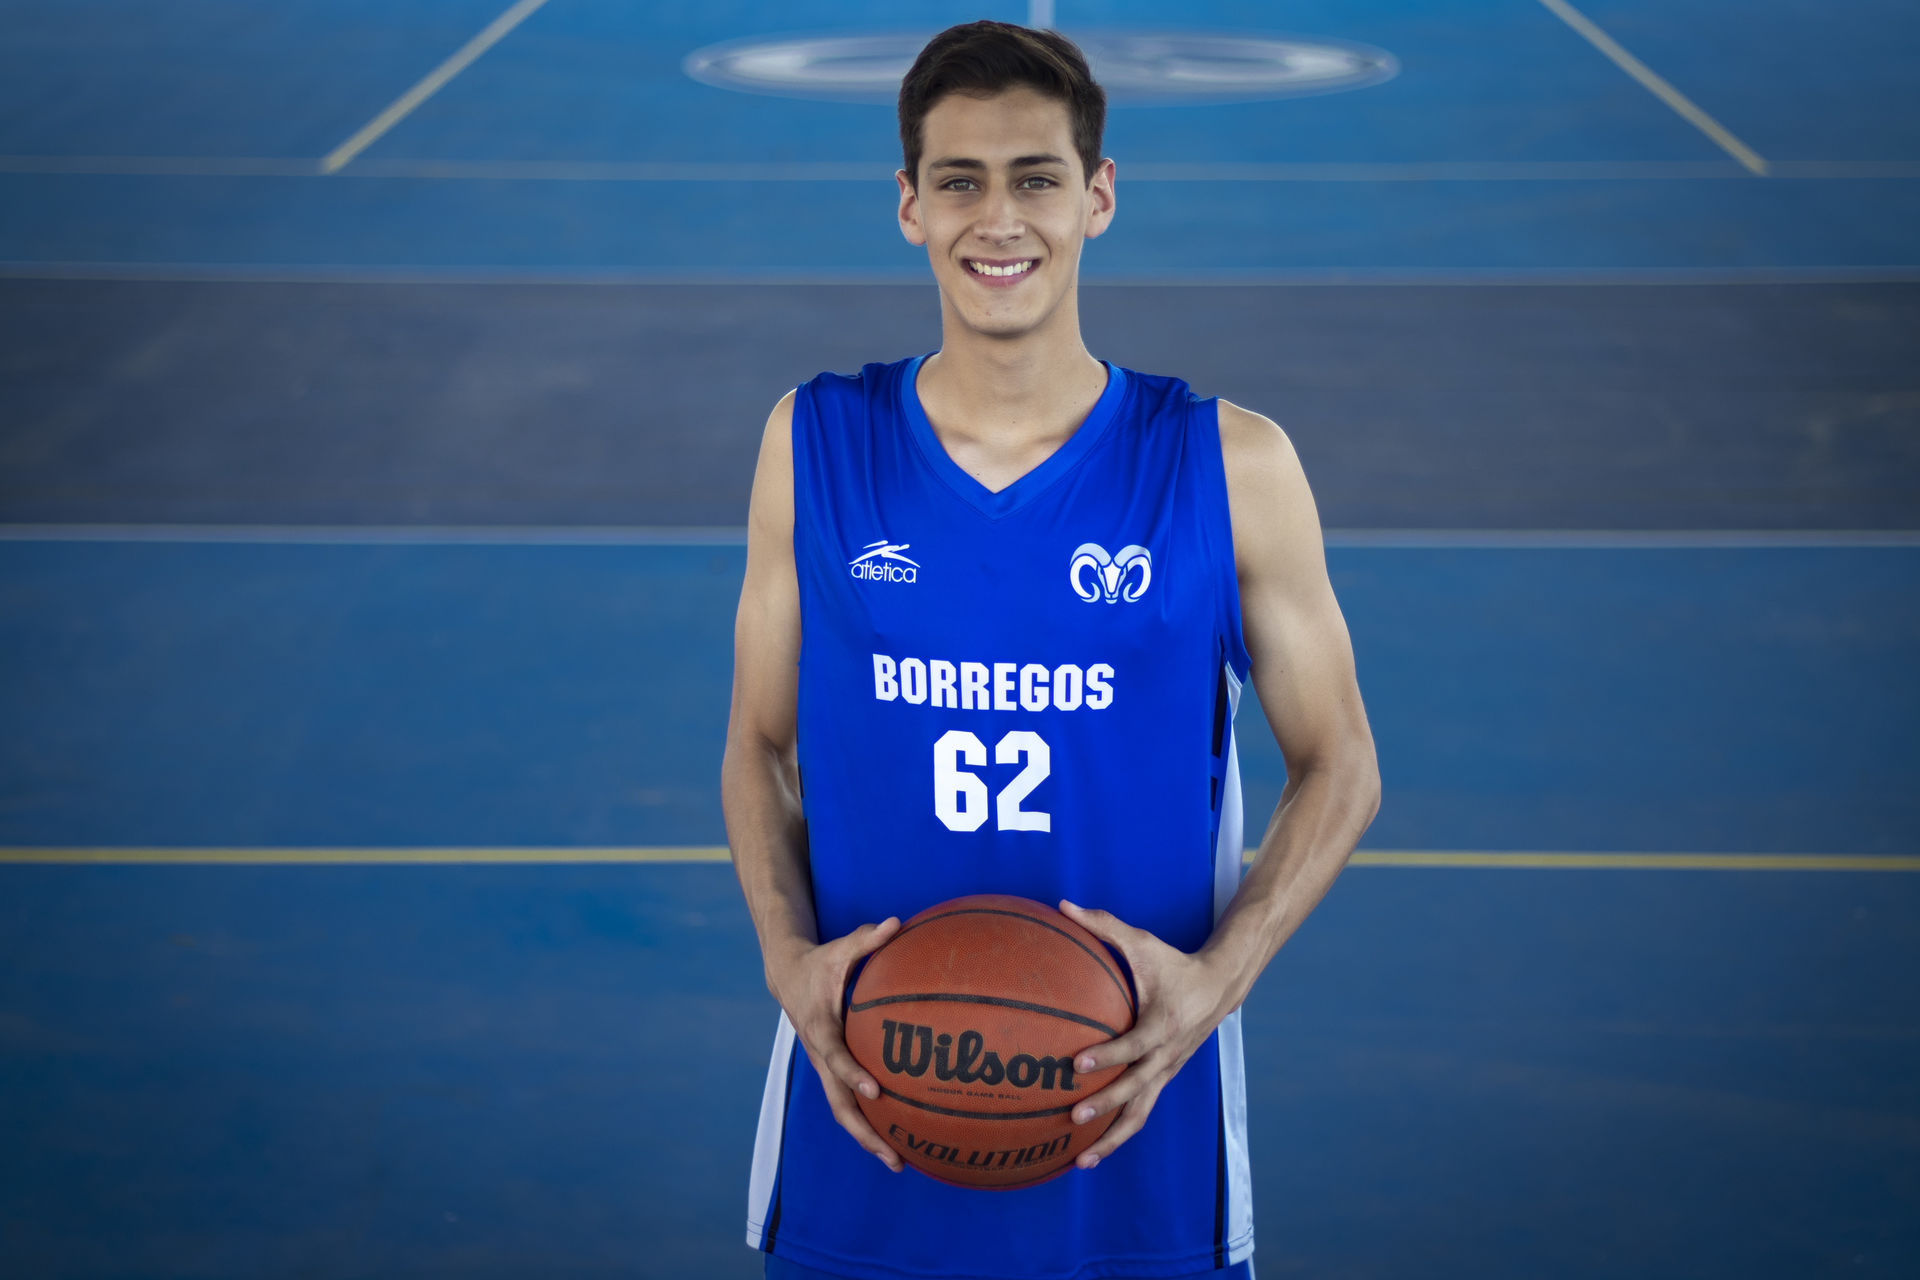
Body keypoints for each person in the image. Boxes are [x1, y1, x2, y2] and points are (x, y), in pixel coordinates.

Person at [721, 19, 1380, 1280]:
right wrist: (784, 953)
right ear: (909, 203)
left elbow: (1341, 759)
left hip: (1138, 1147)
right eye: (959, 180)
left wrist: (1217, 979)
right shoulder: (810, 444)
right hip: (868, 1126)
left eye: (1037, 178)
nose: (998, 219)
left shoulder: (1231, 465)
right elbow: (757, 745)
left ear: (1099, 196)